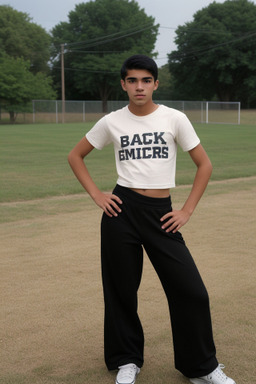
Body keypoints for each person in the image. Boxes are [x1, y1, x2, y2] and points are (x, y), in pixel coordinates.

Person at [68, 55, 236, 384]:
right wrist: (98, 195)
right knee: (121, 290)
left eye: (146, 80)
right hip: (121, 210)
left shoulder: (175, 119)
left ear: (156, 84)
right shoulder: (111, 122)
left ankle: (201, 367)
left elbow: (205, 165)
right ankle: (127, 360)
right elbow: (75, 156)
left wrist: (186, 210)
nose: (139, 86)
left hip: (162, 214)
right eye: (132, 80)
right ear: (123, 84)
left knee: (192, 291)